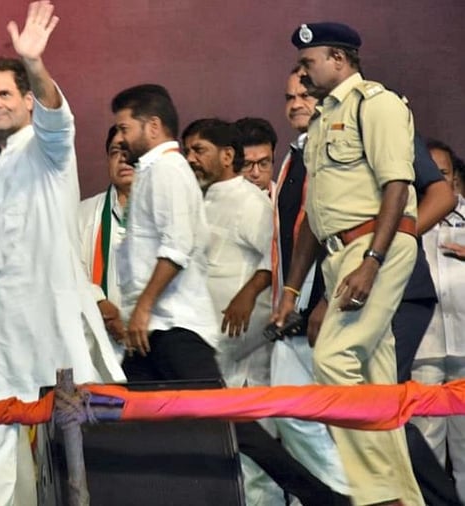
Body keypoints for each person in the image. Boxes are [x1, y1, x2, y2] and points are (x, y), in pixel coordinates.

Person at [112, 83, 348, 506]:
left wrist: (143, 307)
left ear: (151, 125)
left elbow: (178, 245)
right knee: (156, 438)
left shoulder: (168, 171)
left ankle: (326, 499)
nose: (119, 137)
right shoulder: (157, 174)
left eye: (124, 127)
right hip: (152, 333)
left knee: (233, 430)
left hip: (176, 329)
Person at [0, 3, 125, 504]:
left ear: (28, 101)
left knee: (82, 445)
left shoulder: (49, 149)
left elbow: (58, 115)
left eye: (5, 94)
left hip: (56, 316)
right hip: (2, 328)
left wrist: (33, 62)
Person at [274, 22, 423, 506]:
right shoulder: (321, 122)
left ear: (339, 59)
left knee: (333, 359)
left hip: (373, 247)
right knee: (378, 385)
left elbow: (397, 186)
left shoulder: (376, 104)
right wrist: (293, 292)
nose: (304, 71)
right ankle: (403, 496)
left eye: (309, 61)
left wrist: (373, 261)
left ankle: (375, 493)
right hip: (341, 254)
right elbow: (313, 223)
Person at [182, 117, 283, 505]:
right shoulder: (198, 200)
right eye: (188, 150)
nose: (191, 158)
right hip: (211, 354)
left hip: (246, 357)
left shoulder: (249, 200)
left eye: (199, 150)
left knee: (255, 465)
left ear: (227, 156)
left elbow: (277, 258)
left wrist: (249, 292)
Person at [269, 66, 351, 499]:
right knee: (291, 413)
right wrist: (288, 296)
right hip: (293, 313)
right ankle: (333, 495)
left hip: (334, 311)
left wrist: (325, 302)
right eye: (289, 97)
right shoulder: (294, 156)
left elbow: (340, 236)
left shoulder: (339, 151)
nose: (296, 104)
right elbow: (294, 235)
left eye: (306, 95)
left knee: (349, 422)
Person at [412, 140, 465, 501]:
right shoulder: (406, 222)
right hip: (424, 347)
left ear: (456, 179)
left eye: (442, 174)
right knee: (427, 447)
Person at [78, 126, 131, 345]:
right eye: (115, 152)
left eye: (129, 151)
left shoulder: (168, 211)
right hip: (98, 341)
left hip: (155, 344)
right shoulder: (82, 213)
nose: (122, 159)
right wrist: (100, 303)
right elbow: (70, 273)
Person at [234, 117, 277, 195]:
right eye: (246, 165)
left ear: (273, 156)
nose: (256, 173)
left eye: (263, 164)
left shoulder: (288, 201)